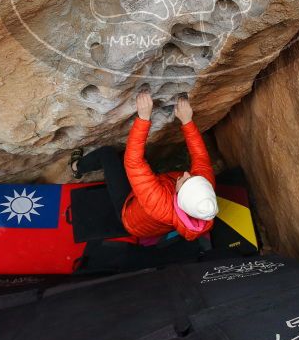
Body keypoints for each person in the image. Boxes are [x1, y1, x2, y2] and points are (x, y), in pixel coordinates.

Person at [71, 91, 217, 241]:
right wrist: (187, 121)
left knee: (107, 154)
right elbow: (200, 156)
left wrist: (144, 118)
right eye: (193, 177)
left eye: (186, 181)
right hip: (149, 213)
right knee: (135, 160)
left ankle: (76, 168)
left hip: (129, 217)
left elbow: (133, 162)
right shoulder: (203, 191)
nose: (186, 174)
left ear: (180, 197)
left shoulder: (160, 203)